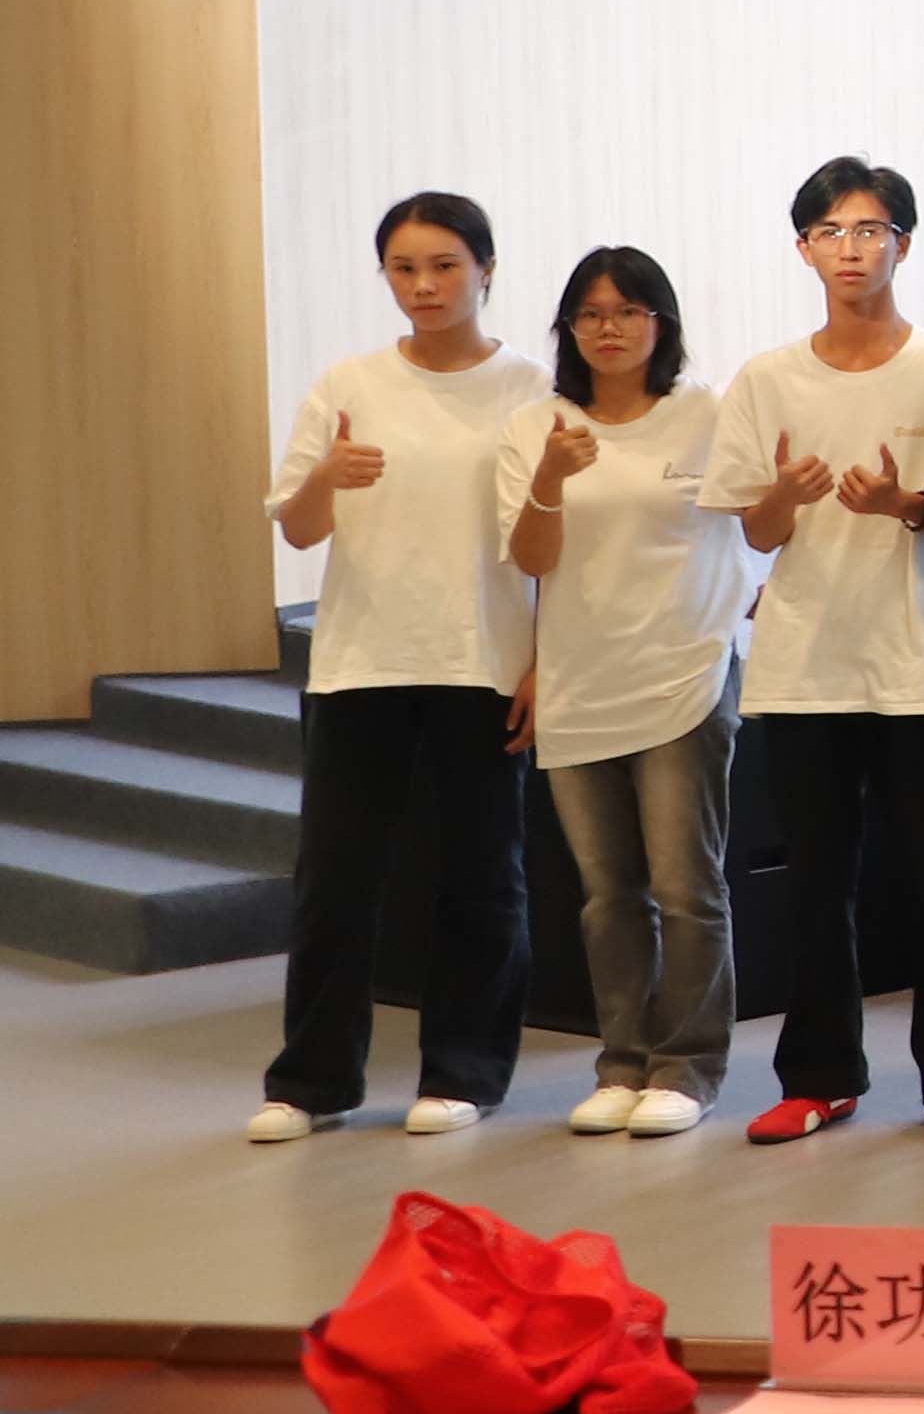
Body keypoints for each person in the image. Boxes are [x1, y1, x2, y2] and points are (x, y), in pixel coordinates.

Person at [701, 158, 924, 1146]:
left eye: (870, 229)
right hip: (804, 662)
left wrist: (904, 504)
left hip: (920, 658)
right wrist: (786, 495)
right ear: (803, 249)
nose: (850, 248)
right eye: (830, 231)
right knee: (816, 883)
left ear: (902, 244)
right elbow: (755, 531)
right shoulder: (767, 378)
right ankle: (820, 1076)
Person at [251, 192, 554, 1140]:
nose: (424, 286)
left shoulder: (531, 388)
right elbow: (299, 527)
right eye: (404, 269)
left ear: (486, 270)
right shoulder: (350, 382)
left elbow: (553, 543)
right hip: (361, 659)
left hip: (483, 658)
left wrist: (545, 662)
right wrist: (325, 478)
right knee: (335, 878)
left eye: (445, 266)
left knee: (482, 875)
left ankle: (464, 1074)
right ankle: (311, 1083)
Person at [499, 244, 749, 1134]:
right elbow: (531, 559)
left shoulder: (707, 413)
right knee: (608, 895)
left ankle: (687, 1066)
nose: (609, 329)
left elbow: (756, 527)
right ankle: (621, 1063)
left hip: (686, 673)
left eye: (628, 312)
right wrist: (551, 479)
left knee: (687, 888)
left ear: (660, 322)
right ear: (568, 328)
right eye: (591, 314)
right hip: (581, 677)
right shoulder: (537, 425)